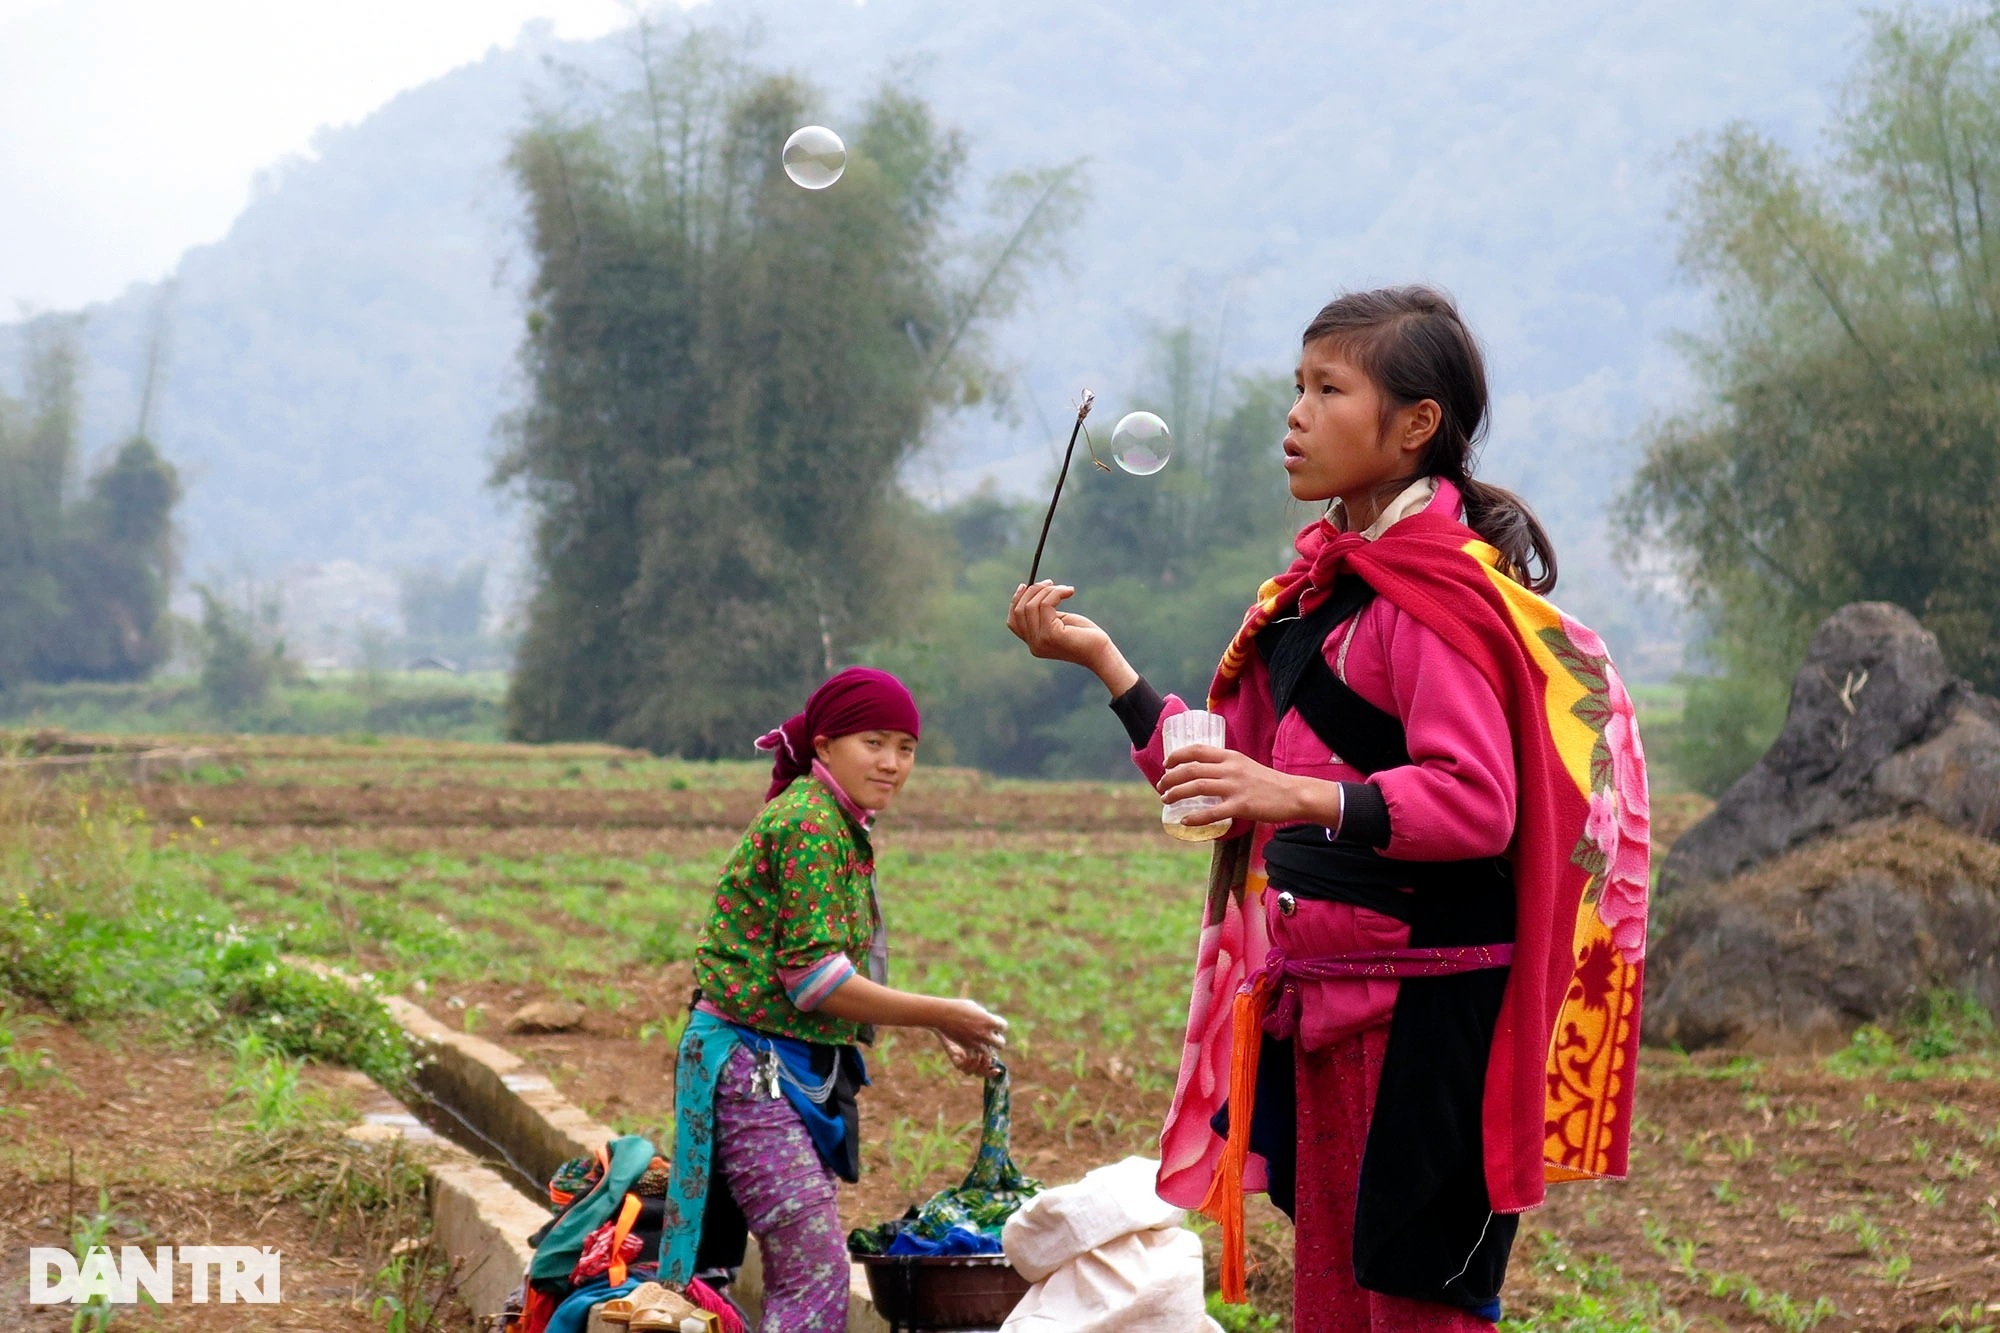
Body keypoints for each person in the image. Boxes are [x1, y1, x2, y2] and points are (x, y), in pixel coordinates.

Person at [1007, 287, 1650, 1331]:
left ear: (1412, 425)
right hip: (1325, 1009)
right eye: (1294, 388)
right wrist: (1103, 663)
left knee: (1409, 1309)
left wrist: (1290, 793)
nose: (1293, 416)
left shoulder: (1433, 601)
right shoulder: (1322, 598)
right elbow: (1225, 785)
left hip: (1425, 1019)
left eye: (1326, 389)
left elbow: (1475, 804)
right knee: (1336, 1305)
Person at [655, 666, 1010, 1332]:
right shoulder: (811, 823)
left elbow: (832, 972)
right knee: (815, 1272)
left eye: (906, 747)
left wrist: (935, 1026)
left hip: (772, 1062)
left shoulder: (836, 820)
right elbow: (814, 979)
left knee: (803, 1264)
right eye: (874, 741)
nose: (892, 762)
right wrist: (939, 1010)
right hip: (751, 1069)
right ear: (823, 744)